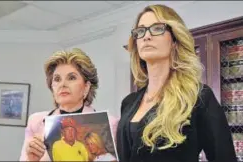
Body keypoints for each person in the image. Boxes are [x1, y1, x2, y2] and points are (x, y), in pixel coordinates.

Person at [116, 4, 237, 162]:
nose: (146, 36)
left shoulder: (198, 97)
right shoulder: (128, 102)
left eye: (157, 28)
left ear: (174, 40)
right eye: (140, 31)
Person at [19, 48, 119, 161]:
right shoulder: (35, 121)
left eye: (71, 78)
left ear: (86, 87)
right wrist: (32, 159)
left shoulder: (111, 124)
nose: (63, 84)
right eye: (57, 79)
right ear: (52, 86)